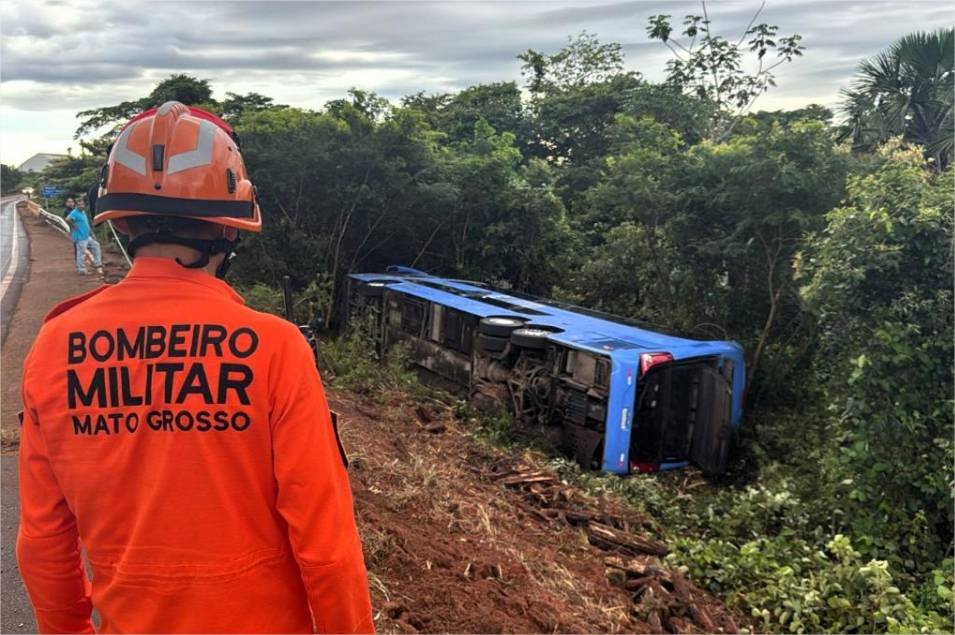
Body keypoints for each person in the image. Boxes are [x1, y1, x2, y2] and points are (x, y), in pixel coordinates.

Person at [17, 102, 373, 634]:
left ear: (118, 221)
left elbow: (44, 538)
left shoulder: (55, 346)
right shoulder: (274, 349)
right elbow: (326, 543)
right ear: (229, 231)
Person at [65, 199, 104, 276]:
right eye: (79, 204)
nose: (81, 206)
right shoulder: (74, 212)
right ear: (76, 205)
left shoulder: (83, 212)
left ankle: (98, 263)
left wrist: (91, 233)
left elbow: (86, 223)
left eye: (82, 204)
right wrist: (74, 226)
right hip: (80, 236)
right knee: (81, 253)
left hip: (86, 235)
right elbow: (67, 219)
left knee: (96, 245)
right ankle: (81, 270)